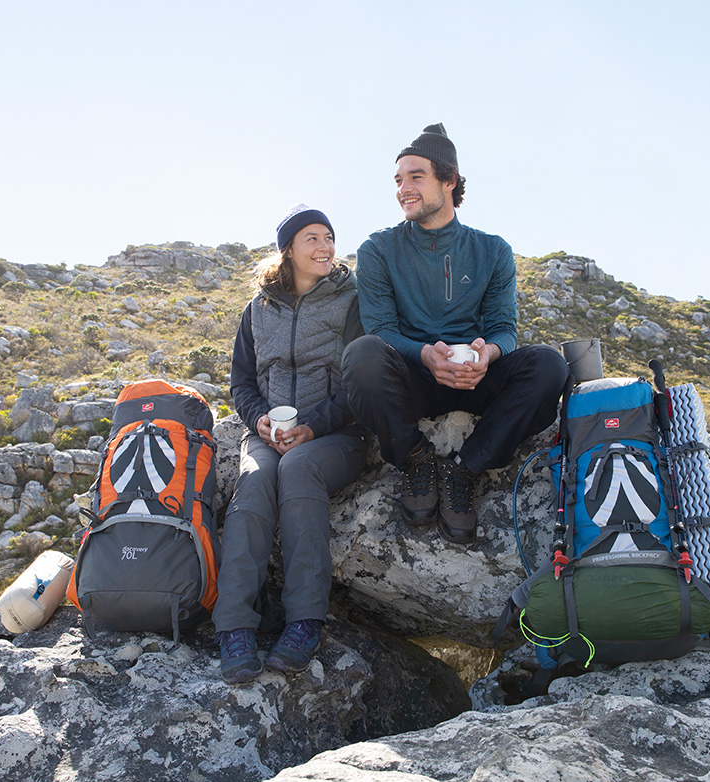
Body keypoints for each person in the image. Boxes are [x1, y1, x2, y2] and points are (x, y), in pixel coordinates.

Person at [342, 123, 569, 546]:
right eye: (398, 180)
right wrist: (426, 355)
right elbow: (382, 329)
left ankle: (465, 468)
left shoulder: (492, 250)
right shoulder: (378, 250)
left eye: (416, 177)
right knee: (362, 354)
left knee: (549, 365)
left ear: (449, 180)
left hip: (474, 379)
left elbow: (504, 328)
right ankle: (415, 458)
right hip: (413, 378)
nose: (403, 189)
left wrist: (490, 353)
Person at [213, 204, 366, 683]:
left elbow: (359, 381)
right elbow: (241, 382)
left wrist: (312, 427)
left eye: (329, 237)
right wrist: (259, 420)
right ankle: (234, 626)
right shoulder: (257, 309)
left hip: (336, 434)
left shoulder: (351, 300)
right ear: (288, 250)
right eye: (312, 239)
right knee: (255, 481)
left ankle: (304, 621)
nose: (325, 247)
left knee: (298, 468)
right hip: (268, 433)